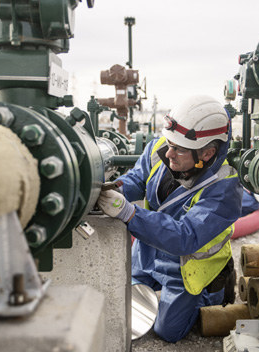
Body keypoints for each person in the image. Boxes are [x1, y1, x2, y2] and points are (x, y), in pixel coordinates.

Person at [97, 95, 243, 343]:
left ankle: (216, 291)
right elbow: (137, 180)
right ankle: (156, 289)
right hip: (148, 251)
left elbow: (187, 236)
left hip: (187, 265)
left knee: (167, 330)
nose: (168, 153)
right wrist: (115, 190)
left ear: (207, 153)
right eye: (169, 142)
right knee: (121, 306)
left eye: (179, 149)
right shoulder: (161, 149)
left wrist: (129, 213)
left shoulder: (225, 187)